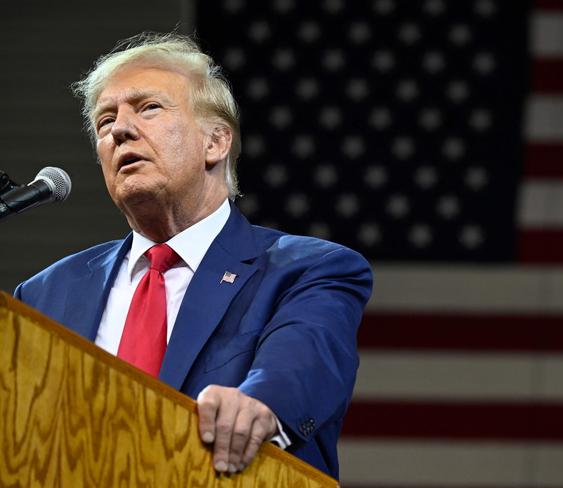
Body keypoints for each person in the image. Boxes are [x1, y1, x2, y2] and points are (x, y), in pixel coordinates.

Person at [14, 32, 372, 480]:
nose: (120, 129)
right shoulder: (46, 293)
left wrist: (258, 405)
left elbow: (303, 361)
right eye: (106, 120)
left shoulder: (306, 269)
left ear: (216, 142)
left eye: (148, 108)